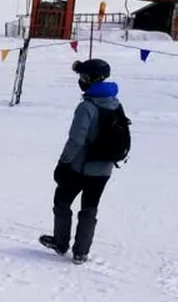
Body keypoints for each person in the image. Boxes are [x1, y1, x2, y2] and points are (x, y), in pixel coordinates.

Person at [39, 58, 126, 264]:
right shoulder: (115, 103)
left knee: (62, 201)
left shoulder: (87, 107)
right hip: (104, 168)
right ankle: (81, 252)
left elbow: (76, 140)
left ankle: (61, 243)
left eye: (83, 77)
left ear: (91, 79)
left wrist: (62, 164)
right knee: (90, 207)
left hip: (80, 168)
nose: (80, 80)